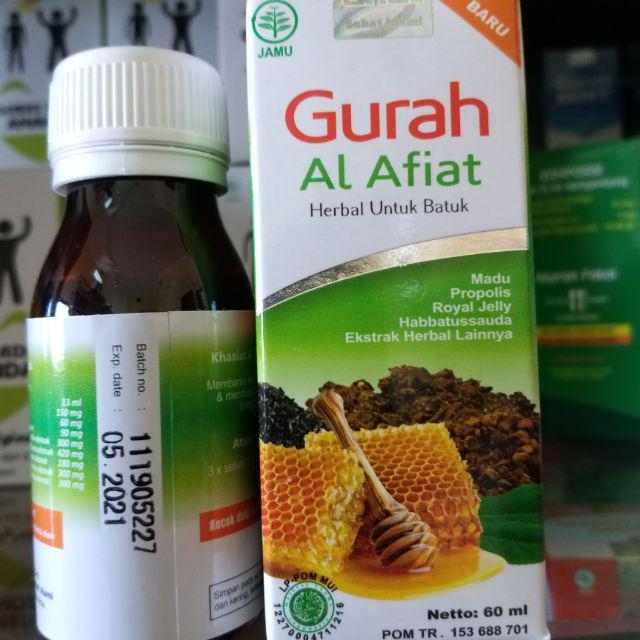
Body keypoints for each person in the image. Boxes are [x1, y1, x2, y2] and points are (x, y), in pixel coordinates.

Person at [0, 217, 31, 306]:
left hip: (4, 263)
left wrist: (27, 223)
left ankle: (17, 298)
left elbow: (24, 234)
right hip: (9, 263)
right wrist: (27, 223)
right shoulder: (12, 240)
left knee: (9, 280)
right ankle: (17, 298)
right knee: (13, 281)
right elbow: (24, 234)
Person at [37, 7, 78, 72]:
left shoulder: (57, 25)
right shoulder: (56, 25)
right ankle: (51, 68)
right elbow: (43, 22)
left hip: (59, 42)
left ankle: (54, 67)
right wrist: (40, 14)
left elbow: (43, 22)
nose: (57, 19)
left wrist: (40, 14)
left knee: (61, 55)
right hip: (56, 42)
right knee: (55, 55)